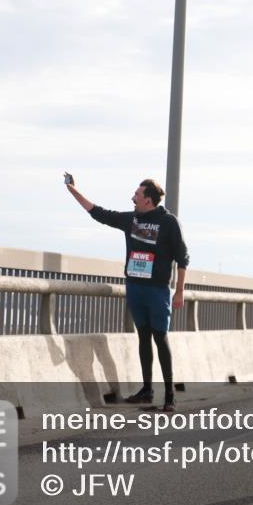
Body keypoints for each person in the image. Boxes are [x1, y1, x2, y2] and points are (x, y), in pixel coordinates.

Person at [65, 174, 188, 412]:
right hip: (135, 287)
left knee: (160, 340)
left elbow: (182, 259)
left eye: (137, 194)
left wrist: (179, 291)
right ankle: (146, 390)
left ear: (148, 200)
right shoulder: (131, 219)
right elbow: (98, 213)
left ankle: (170, 395)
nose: (133, 197)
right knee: (143, 338)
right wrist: (73, 191)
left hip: (157, 290)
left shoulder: (168, 222)